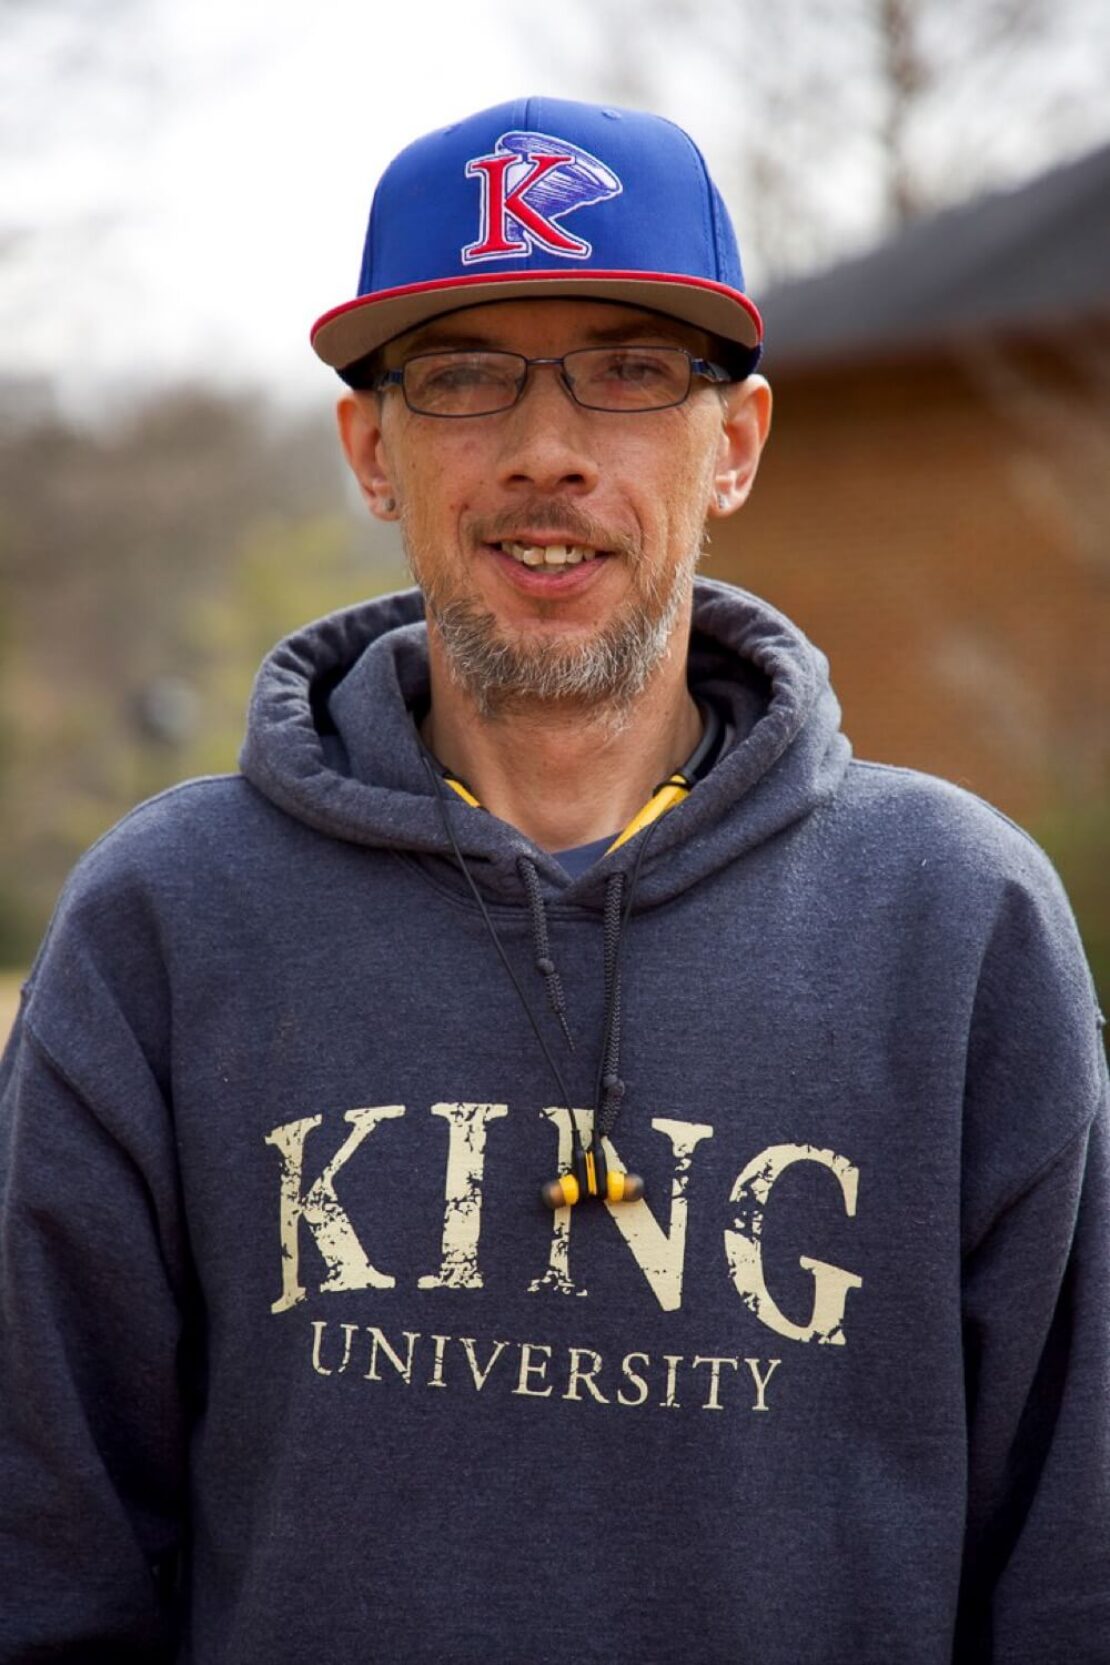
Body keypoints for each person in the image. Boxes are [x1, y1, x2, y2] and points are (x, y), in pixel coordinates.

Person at [0, 95, 1106, 1665]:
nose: (546, 451)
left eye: (631, 372)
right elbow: (46, 1568)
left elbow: (1071, 1574)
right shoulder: (167, 926)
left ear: (733, 442)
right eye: (462, 378)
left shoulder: (958, 927)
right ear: (369, 450)